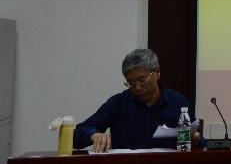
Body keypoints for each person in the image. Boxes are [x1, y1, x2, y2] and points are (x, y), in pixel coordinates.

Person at [73, 48, 201, 152]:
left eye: (142, 80)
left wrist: (195, 140)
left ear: (157, 73)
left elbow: (197, 141)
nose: (137, 87)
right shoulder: (119, 103)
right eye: (131, 83)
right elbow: (76, 135)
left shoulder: (178, 102)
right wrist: (93, 134)